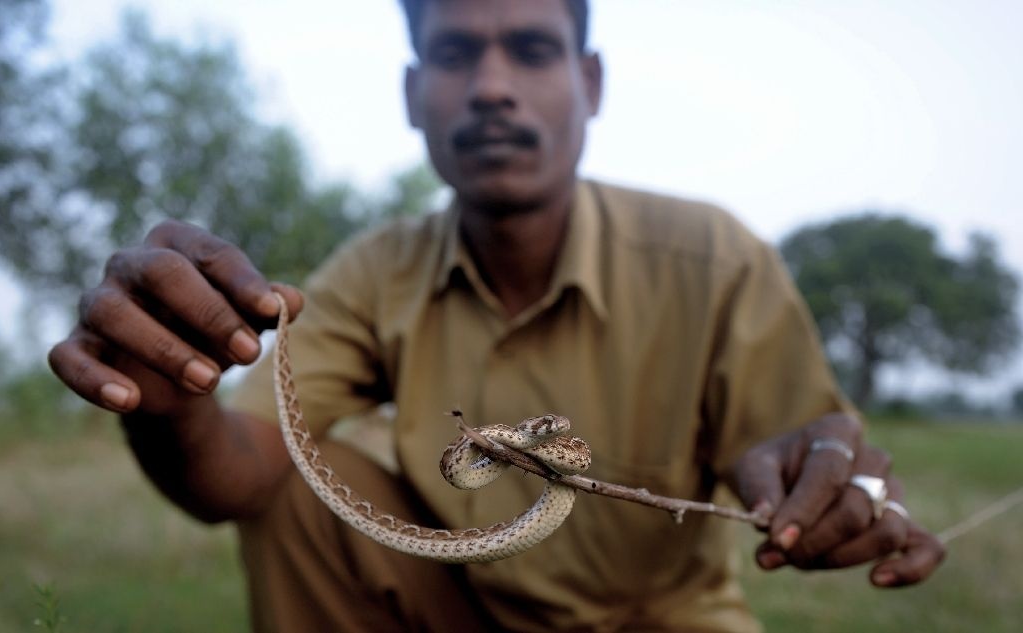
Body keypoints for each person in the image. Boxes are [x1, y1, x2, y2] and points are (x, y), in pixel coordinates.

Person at [48, 0, 945, 631]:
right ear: (412, 93)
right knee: (309, 486)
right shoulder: (373, 271)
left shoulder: (714, 257)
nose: (491, 87)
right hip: (461, 608)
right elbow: (239, 475)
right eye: (454, 54)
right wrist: (171, 403)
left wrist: (819, 486)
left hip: (660, 622)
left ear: (589, 82)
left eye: (531, 48)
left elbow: (795, 445)